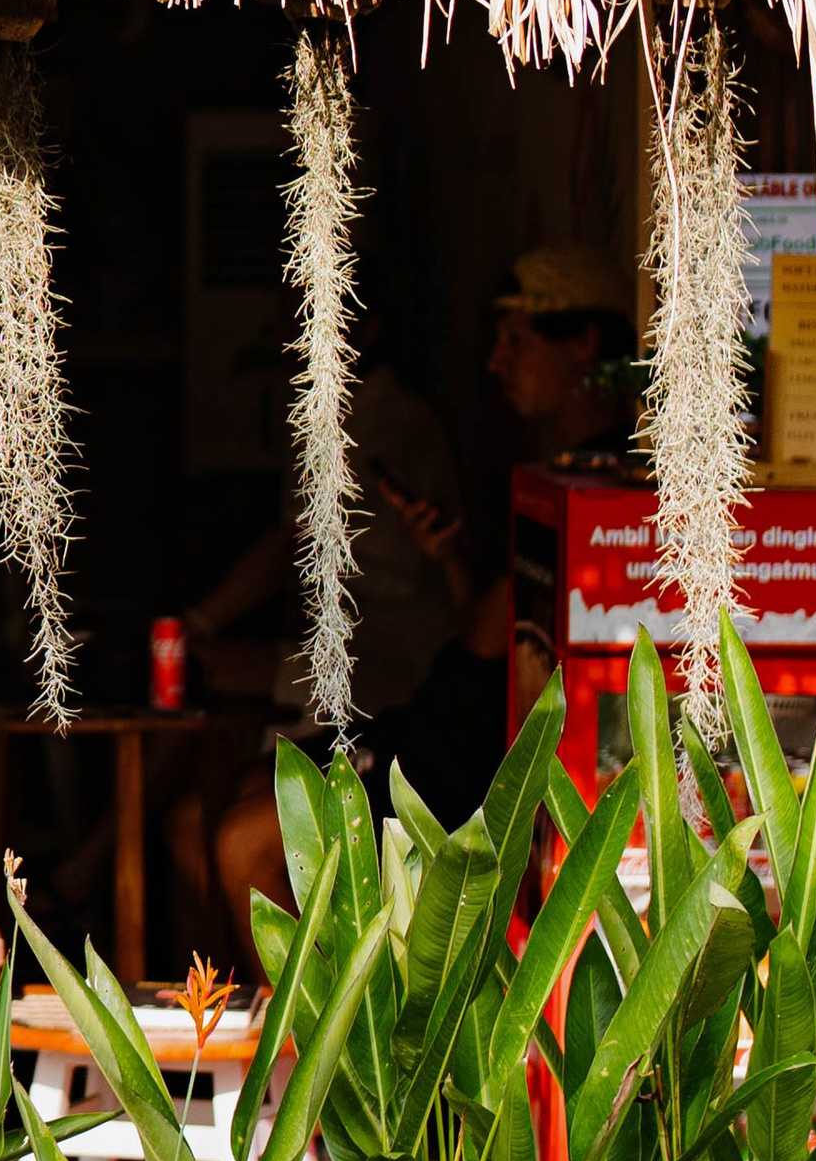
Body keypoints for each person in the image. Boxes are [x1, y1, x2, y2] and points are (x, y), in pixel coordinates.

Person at [180, 247, 635, 963]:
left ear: (583, 344)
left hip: (461, 756)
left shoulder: (614, 485)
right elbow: (484, 630)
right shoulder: (553, 471)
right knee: (205, 817)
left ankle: (324, 1062)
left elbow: (502, 641)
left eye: (518, 341)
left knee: (244, 839)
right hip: (433, 720)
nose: (496, 362)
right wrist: (452, 559)